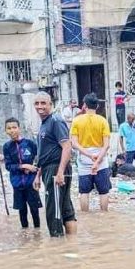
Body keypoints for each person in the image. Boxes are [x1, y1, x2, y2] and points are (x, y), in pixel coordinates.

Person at [35, 91, 76, 237]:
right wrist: (38, 175)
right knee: (64, 208)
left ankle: (57, 246)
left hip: (56, 169)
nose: (40, 106)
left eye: (43, 103)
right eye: (37, 103)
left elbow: (67, 146)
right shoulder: (44, 124)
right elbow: (44, 153)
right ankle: (71, 245)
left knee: (54, 212)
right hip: (48, 169)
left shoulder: (55, 121)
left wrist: (60, 172)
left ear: (50, 104)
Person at [70, 93, 112, 212]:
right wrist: (97, 160)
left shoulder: (77, 121)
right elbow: (107, 145)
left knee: (84, 192)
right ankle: (104, 215)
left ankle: (85, 217)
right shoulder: (103, 121)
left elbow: (74, 143)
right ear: (97, 106)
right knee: (103, 192)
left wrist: (89, 155)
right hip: (101, 159)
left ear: (84, 106)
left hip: (84, 159)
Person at [2, 117, 41, 229]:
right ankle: (25, 233)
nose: (12, 130)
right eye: (9, 128)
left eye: (14, 127)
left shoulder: (29, 143)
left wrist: (35, 170)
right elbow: (8, 166)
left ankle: (37, 232)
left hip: (31, 182)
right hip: (17, 183)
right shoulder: (7, 147)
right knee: (22, 210)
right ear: (6, 131)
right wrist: (23, 166)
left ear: (19, 128)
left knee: (34, 209)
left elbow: (39, 158)